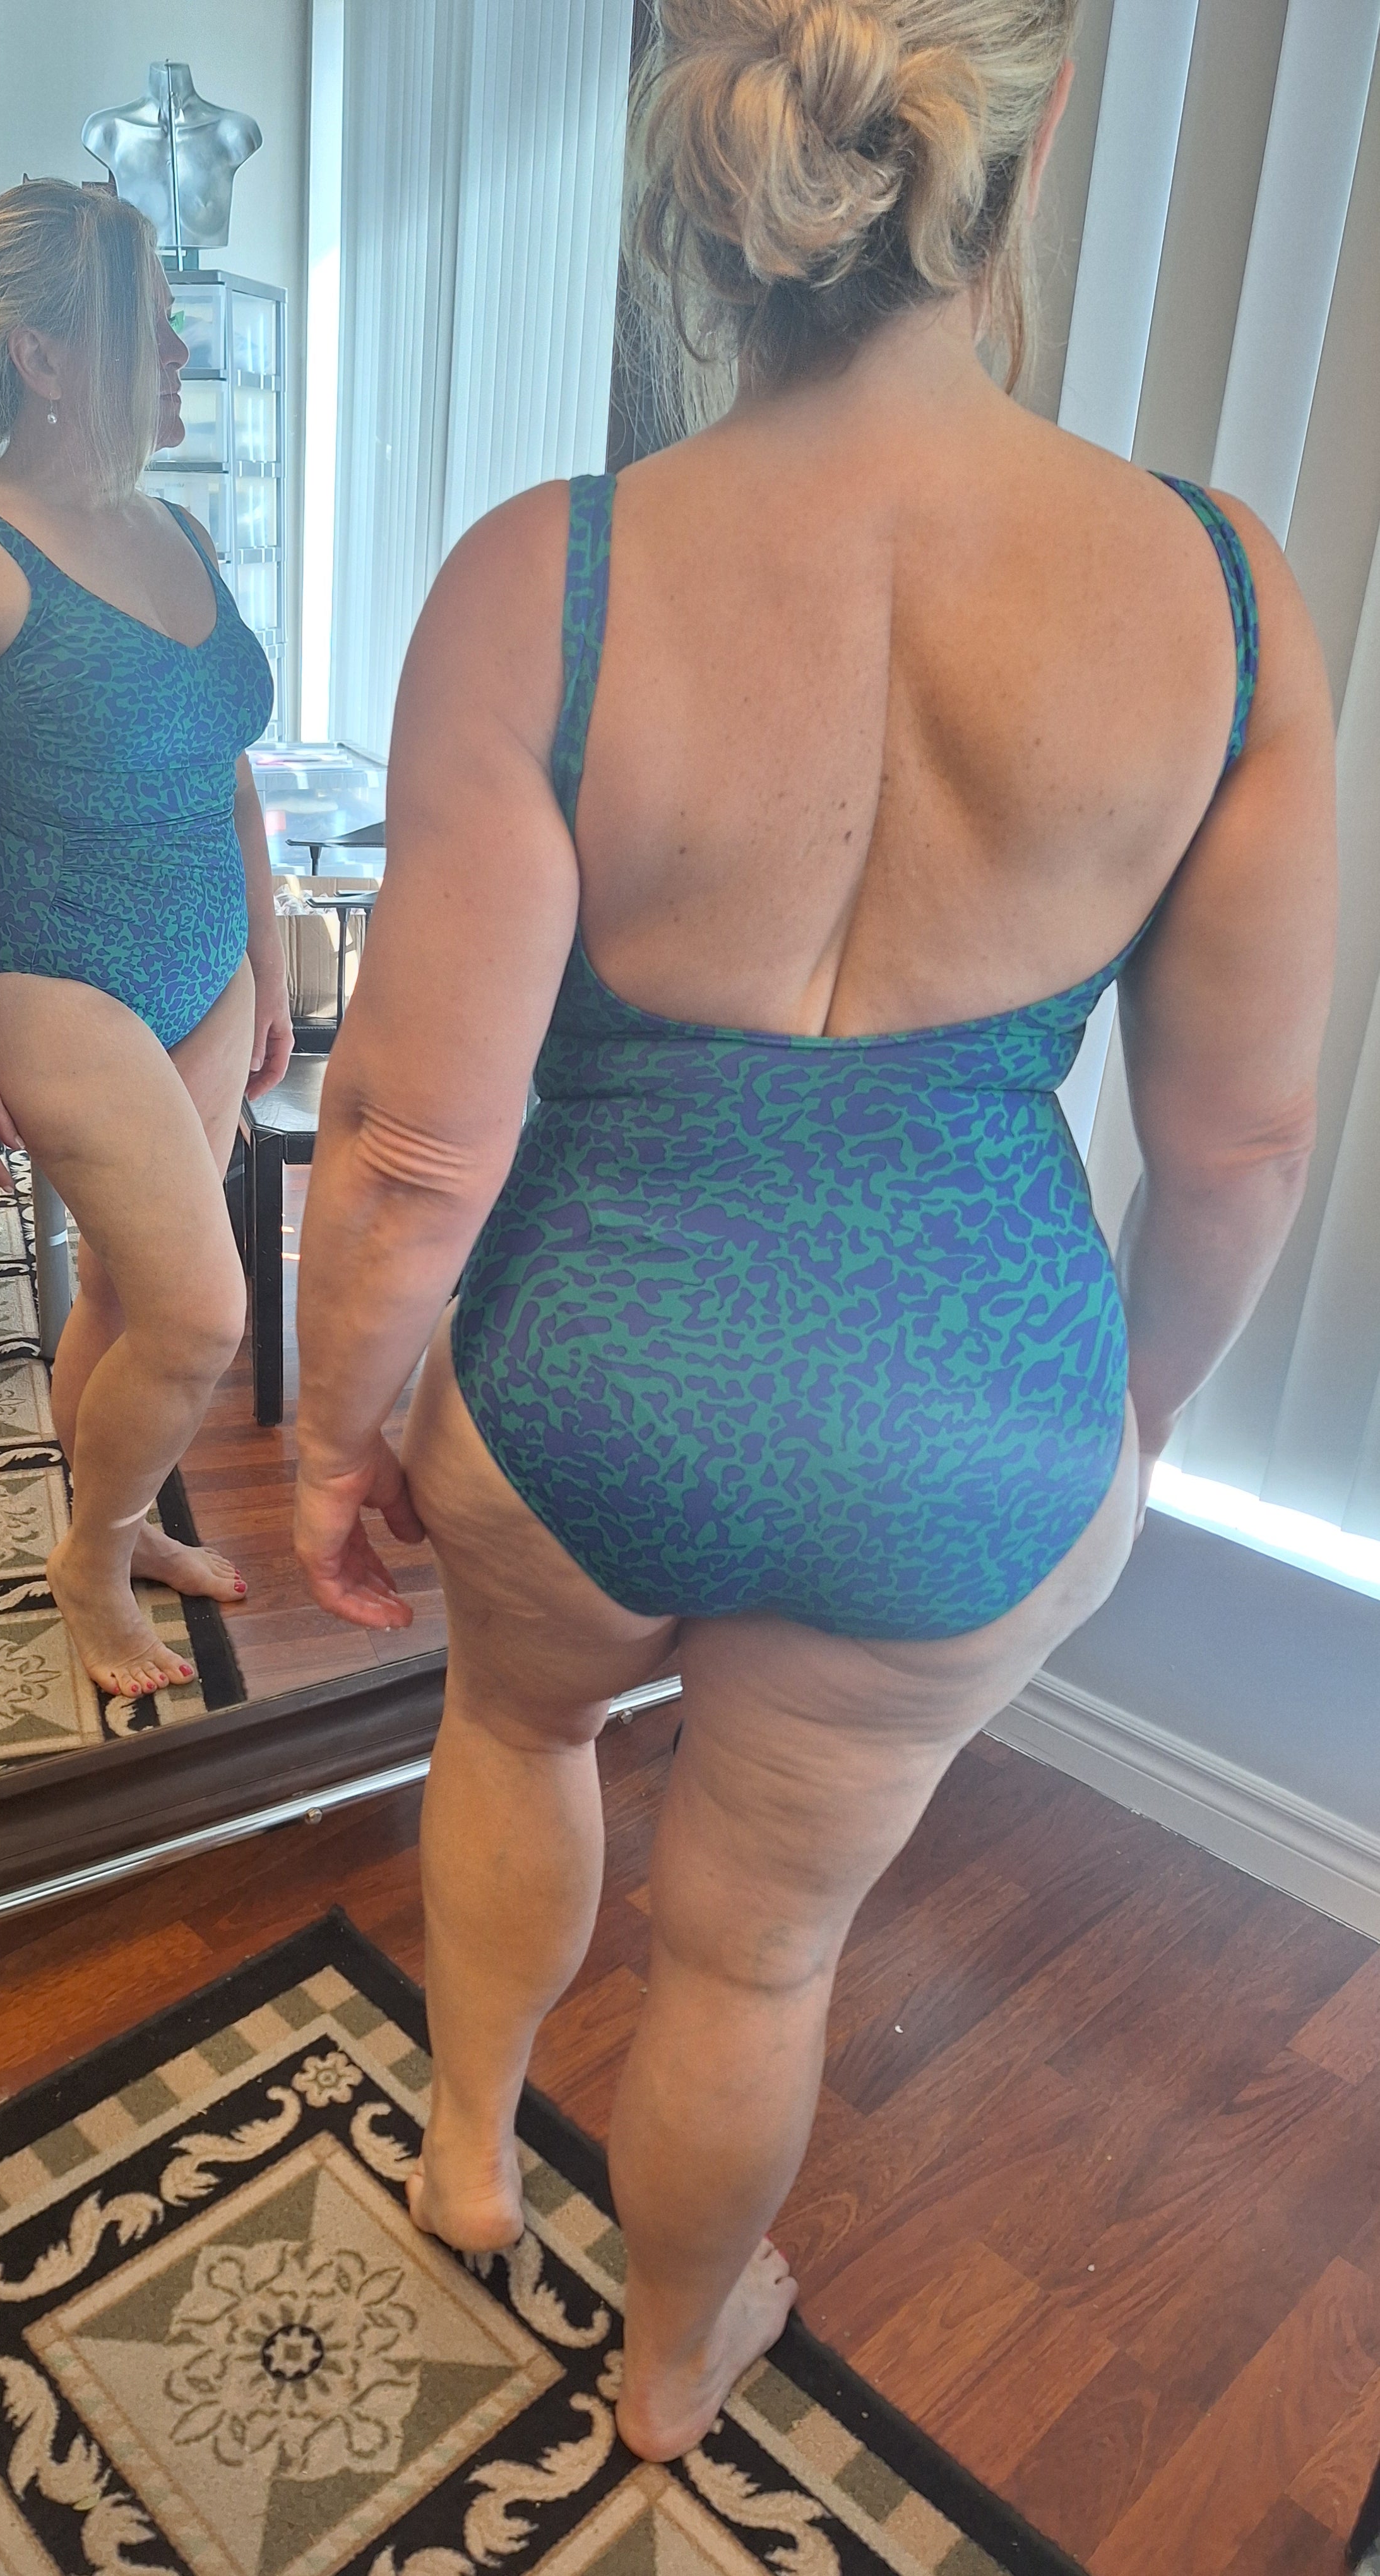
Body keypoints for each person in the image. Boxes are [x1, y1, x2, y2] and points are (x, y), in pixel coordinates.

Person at [292, 0, 1335, 2466]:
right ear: (1028, 143)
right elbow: (1243, 1152)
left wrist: (343, 1431)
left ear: (697, 145)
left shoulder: (547, 577)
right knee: (757, 1953)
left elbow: (415, 1146)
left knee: (514, 1723)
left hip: (588, 1382)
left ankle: (467, 2156)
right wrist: (1133, 1417)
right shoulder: (1223, 593)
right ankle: (673, 2375)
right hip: (965, 1417)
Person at [0, 181, 289, 1702]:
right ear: (45, 357)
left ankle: (115, 1526)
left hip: (208, 974)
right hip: (50, 972)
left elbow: (227, 769)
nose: (183, 355)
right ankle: (92, 1560)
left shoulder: (179, 526)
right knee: (201, 1312)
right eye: (151, 328)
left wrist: (269, 965)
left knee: (125, 1296)